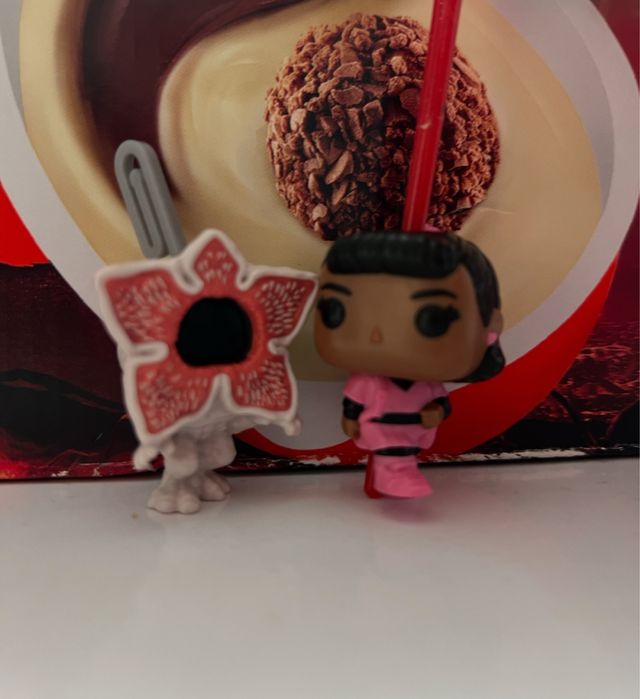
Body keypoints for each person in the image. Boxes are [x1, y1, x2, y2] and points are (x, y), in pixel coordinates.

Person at [314, 230, 505, 498]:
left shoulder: (425, 385)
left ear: (490, 326)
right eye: (334, 311)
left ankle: (398, 472)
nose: (376, 337)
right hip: (379, 429)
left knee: (402, 448)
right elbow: (353, 402)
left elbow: (442, 402)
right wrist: (350, 416)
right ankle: (395, 474)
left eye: (433, 319)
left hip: (413, 430)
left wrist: (437, 411)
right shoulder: (368, 381)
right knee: (391, 451)